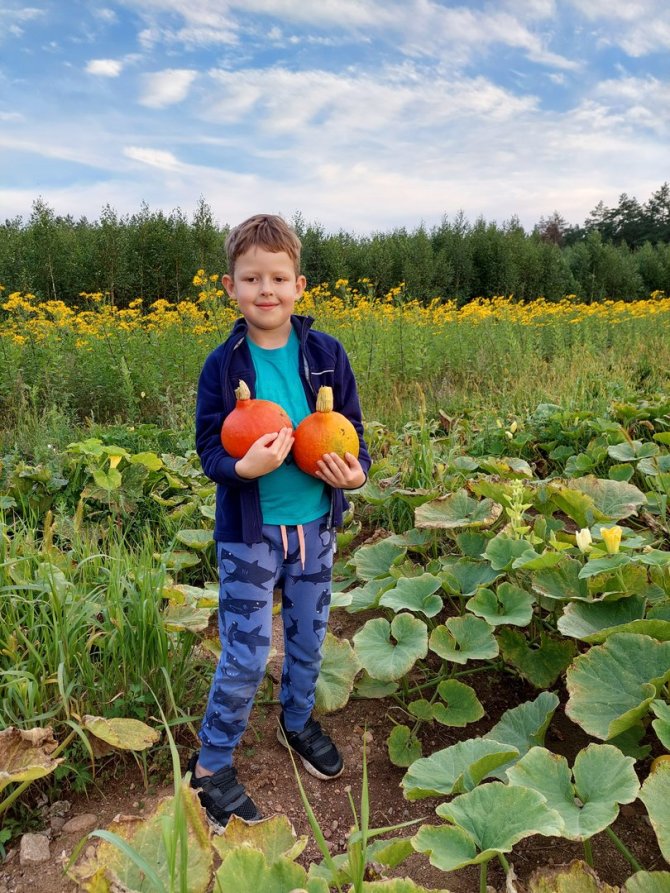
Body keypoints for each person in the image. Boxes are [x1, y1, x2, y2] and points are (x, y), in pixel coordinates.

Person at [190, 213, 371, 829]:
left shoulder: (326, 353)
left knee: (308, 638)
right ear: (230, 287)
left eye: (278, 278)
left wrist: (356, 474)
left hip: (315, 527)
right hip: (250, 534)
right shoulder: (223, 366)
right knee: (244, 654)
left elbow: (353, 434)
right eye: (251, 279)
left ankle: (296, 722)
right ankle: (211, 766)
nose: (265, 290)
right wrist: (243, 467)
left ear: (298, 285)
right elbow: (210, 449)